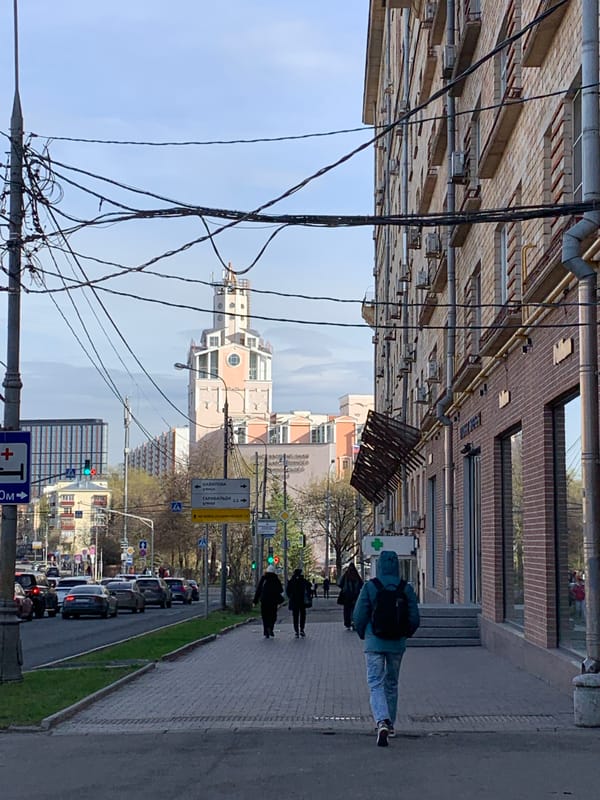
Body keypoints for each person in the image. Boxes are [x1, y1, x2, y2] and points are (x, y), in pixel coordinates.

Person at [352, 550, 420, 747]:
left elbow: (359, 615)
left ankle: (381, 720)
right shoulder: (405, 588)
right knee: (391, 683)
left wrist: (363, 634)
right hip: (397, 643)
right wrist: (405, 634)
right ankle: (390, 725)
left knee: (375, 682)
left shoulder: (370, 587)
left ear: (379, 565)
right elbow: (414, 617)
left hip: (374, 642)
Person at [253, 565, 284, 638]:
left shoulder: (264, 579)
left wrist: (255, 601)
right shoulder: (276, 579)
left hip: (264, 600)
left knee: (265, 616)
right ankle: (271, 628)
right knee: (273, 615)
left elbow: (259, 590)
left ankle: (266, 631)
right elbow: (281, 590)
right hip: (273, 601)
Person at [286, 567, 312, 638]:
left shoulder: (292, 581)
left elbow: (288, 591)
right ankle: (302, 629)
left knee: (295, 616)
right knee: (302, 615)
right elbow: (309, 586)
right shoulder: (303, 581)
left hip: (294, 601)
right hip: (302, 602)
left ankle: (296, 631)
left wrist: (291, 597)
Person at [337, 563, 363, 630]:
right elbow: (361, 584)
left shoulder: (346, 575)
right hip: (355, 596)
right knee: (355, 610)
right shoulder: (356, 575)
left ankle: (348, 623)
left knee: (347, 611)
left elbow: (340, 584)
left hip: (347, 596)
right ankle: (354, 623)